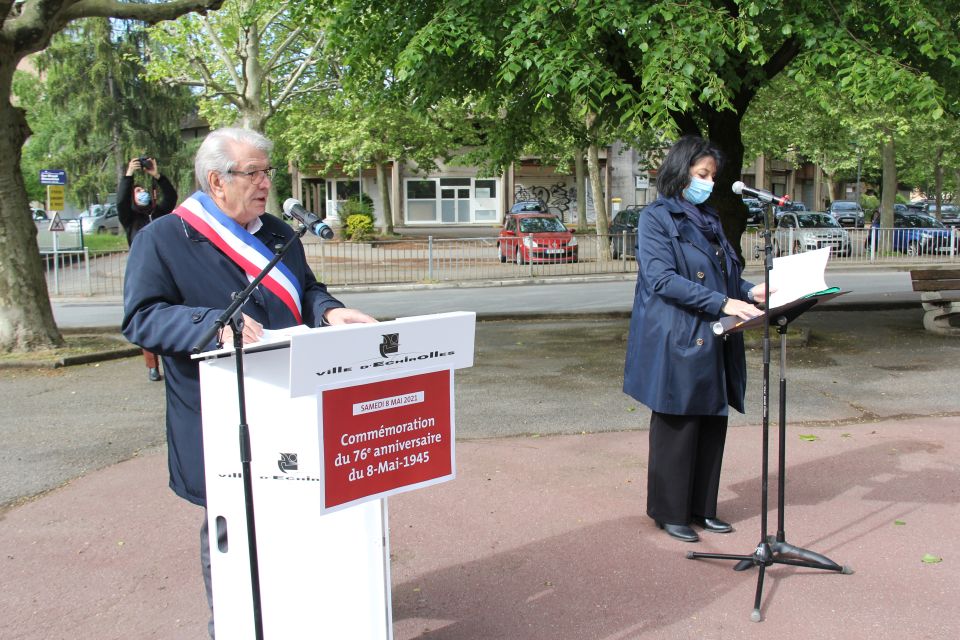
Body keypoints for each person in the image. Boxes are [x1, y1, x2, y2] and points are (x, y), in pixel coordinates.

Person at [122, 127, 376, 637]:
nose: (266, 183)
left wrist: (329, 311)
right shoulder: (164, 239)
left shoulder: (280, 233)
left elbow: (307, 290)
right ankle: (234, 624)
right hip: (219, 414)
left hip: (293, 402)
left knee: (297, 518)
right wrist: (210, 323)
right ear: (216, 181)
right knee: (234, 530)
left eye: (267, 171)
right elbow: (142, 318)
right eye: (253, 173)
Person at [622, 135, 769, 543]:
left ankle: (703, 507)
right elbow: (662, 278)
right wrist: (723, 301)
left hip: (714, 330)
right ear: (681, 170)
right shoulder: (656, 218)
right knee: (679, 422)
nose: (707, 182)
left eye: (712, 176)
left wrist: (749, 291)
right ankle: (669, 512)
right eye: (701, 174)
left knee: (710, 420)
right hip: (678, 334)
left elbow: (724, 276)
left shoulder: (711, 218)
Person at [117, 156, 178, 381]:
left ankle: (171, 360)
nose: (141, 192)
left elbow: (170, 196)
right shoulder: (130, 218)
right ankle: (152, 365)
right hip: (143, 273)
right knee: (147, 316)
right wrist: (129, 175)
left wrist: (157, 176)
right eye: (137, 190)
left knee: (169, 315)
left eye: (144, 189)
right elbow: (121, 202)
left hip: (167, 269)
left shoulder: (159, 214)